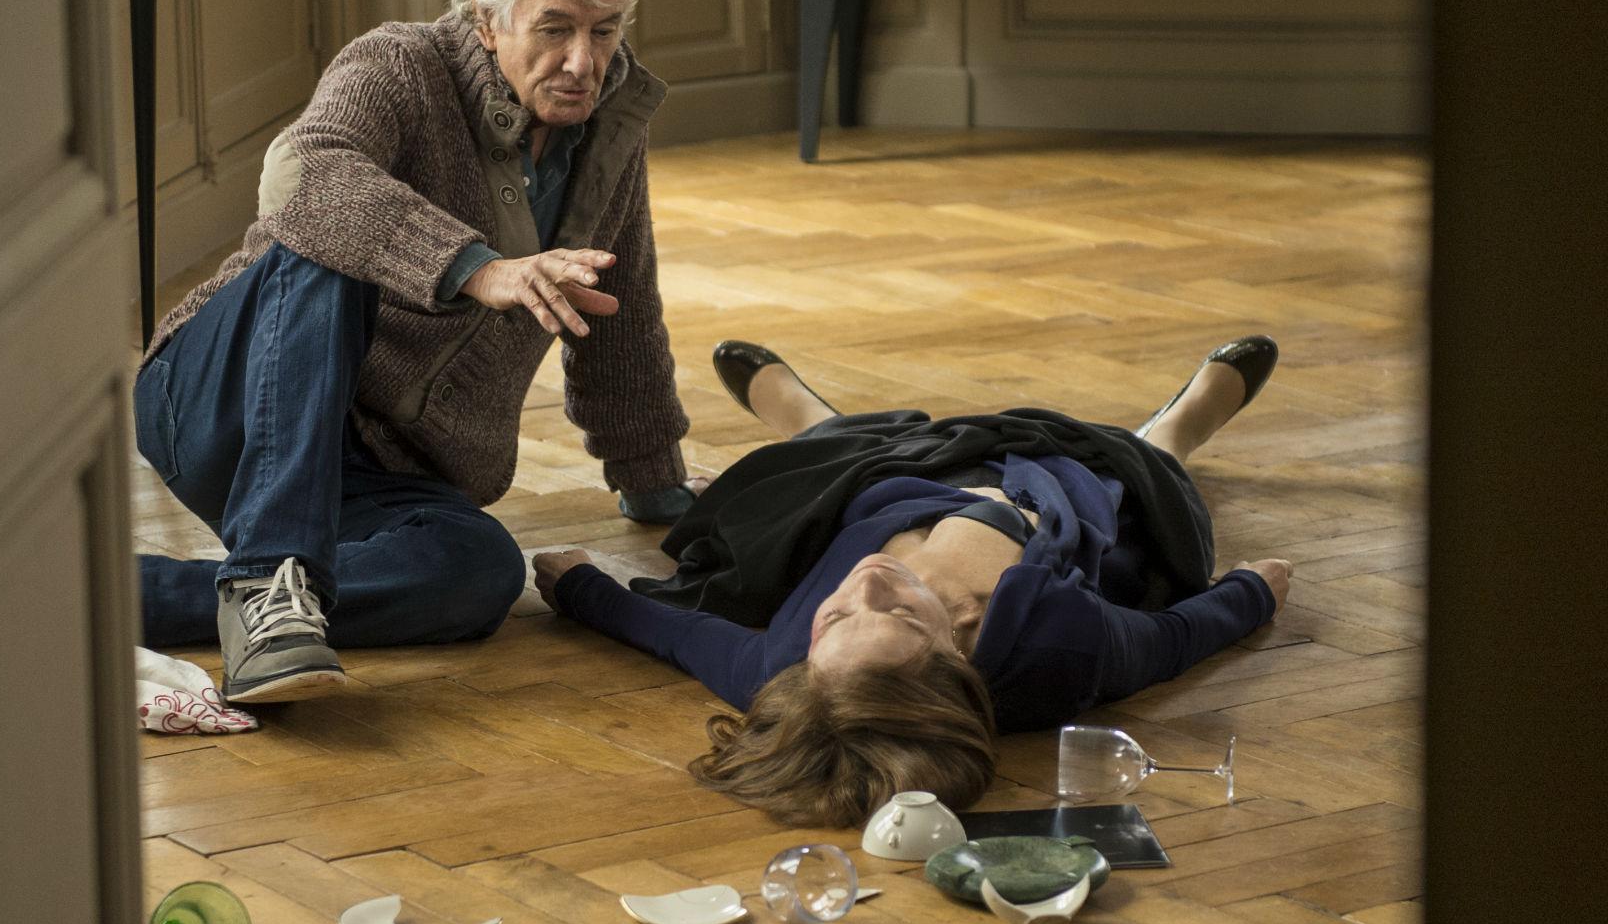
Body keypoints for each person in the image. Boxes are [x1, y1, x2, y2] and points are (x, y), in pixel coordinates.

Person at [137, 0, 704, 703]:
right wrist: (478, 268)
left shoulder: (609, 123)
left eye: (605, 30)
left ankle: (155, 597)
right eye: (555, 29)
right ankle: (269, 582)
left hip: (383, 466)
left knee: (477, 572)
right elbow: (303, 177)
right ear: (487, 19)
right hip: (221, 405)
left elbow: (621, 302)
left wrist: (653, 479)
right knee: (329, 231)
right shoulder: (399, 65)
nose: (585, 61)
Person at [533, 337, 1292, 826]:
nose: (866, 583)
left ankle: (806, 416)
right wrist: (1253, 593)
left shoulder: (791, 668)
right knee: (1152, 468)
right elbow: (1170, 640)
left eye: (834, 618)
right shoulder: (1061, 644)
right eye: (897, 613)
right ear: (955, 655)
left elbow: (680, 635)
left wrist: (580, 589)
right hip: (1067, 488)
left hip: (891, 485)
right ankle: (1183, 421)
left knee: (826, 461)